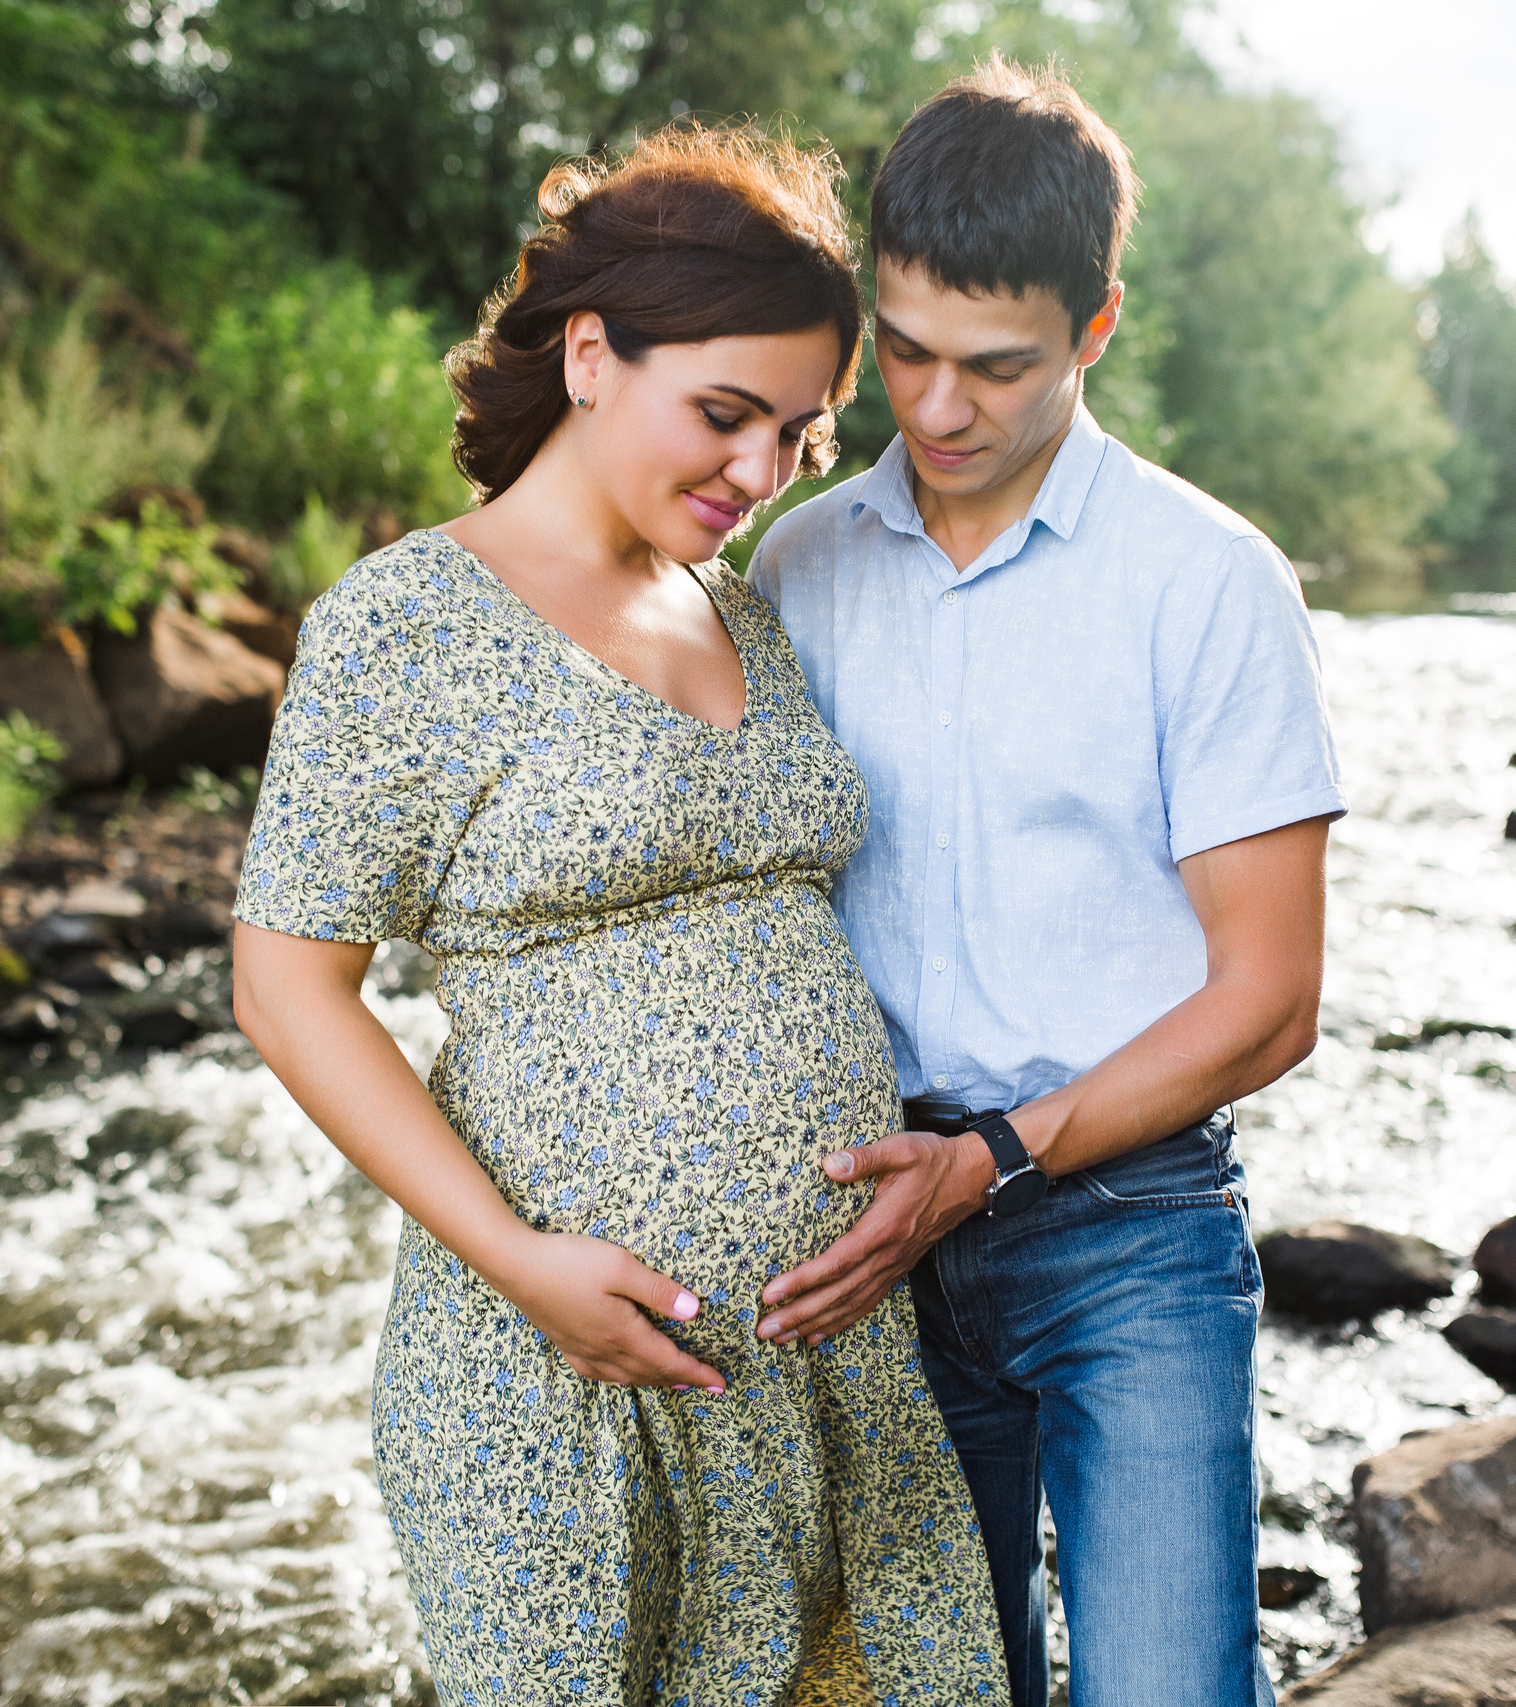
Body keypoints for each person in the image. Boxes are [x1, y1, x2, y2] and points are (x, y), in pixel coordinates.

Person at [229, 127, 1010, 1705]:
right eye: (724, 414)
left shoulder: (743, 611)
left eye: (797, 434)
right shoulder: (402, 626)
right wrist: (519, 1260)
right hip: (566, 1382)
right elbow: (288, 989)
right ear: (590, 353)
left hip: (831, 1370)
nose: (759, 472)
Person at [747, 58, 1343, 1707]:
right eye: (910, 353)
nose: (938, 412)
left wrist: (1000, 1155)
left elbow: (1271, 997)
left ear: (1095, 329)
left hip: (1128, 1235)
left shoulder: (1208, 585)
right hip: (863, 1229)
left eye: (997, 368)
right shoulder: (792, 565)